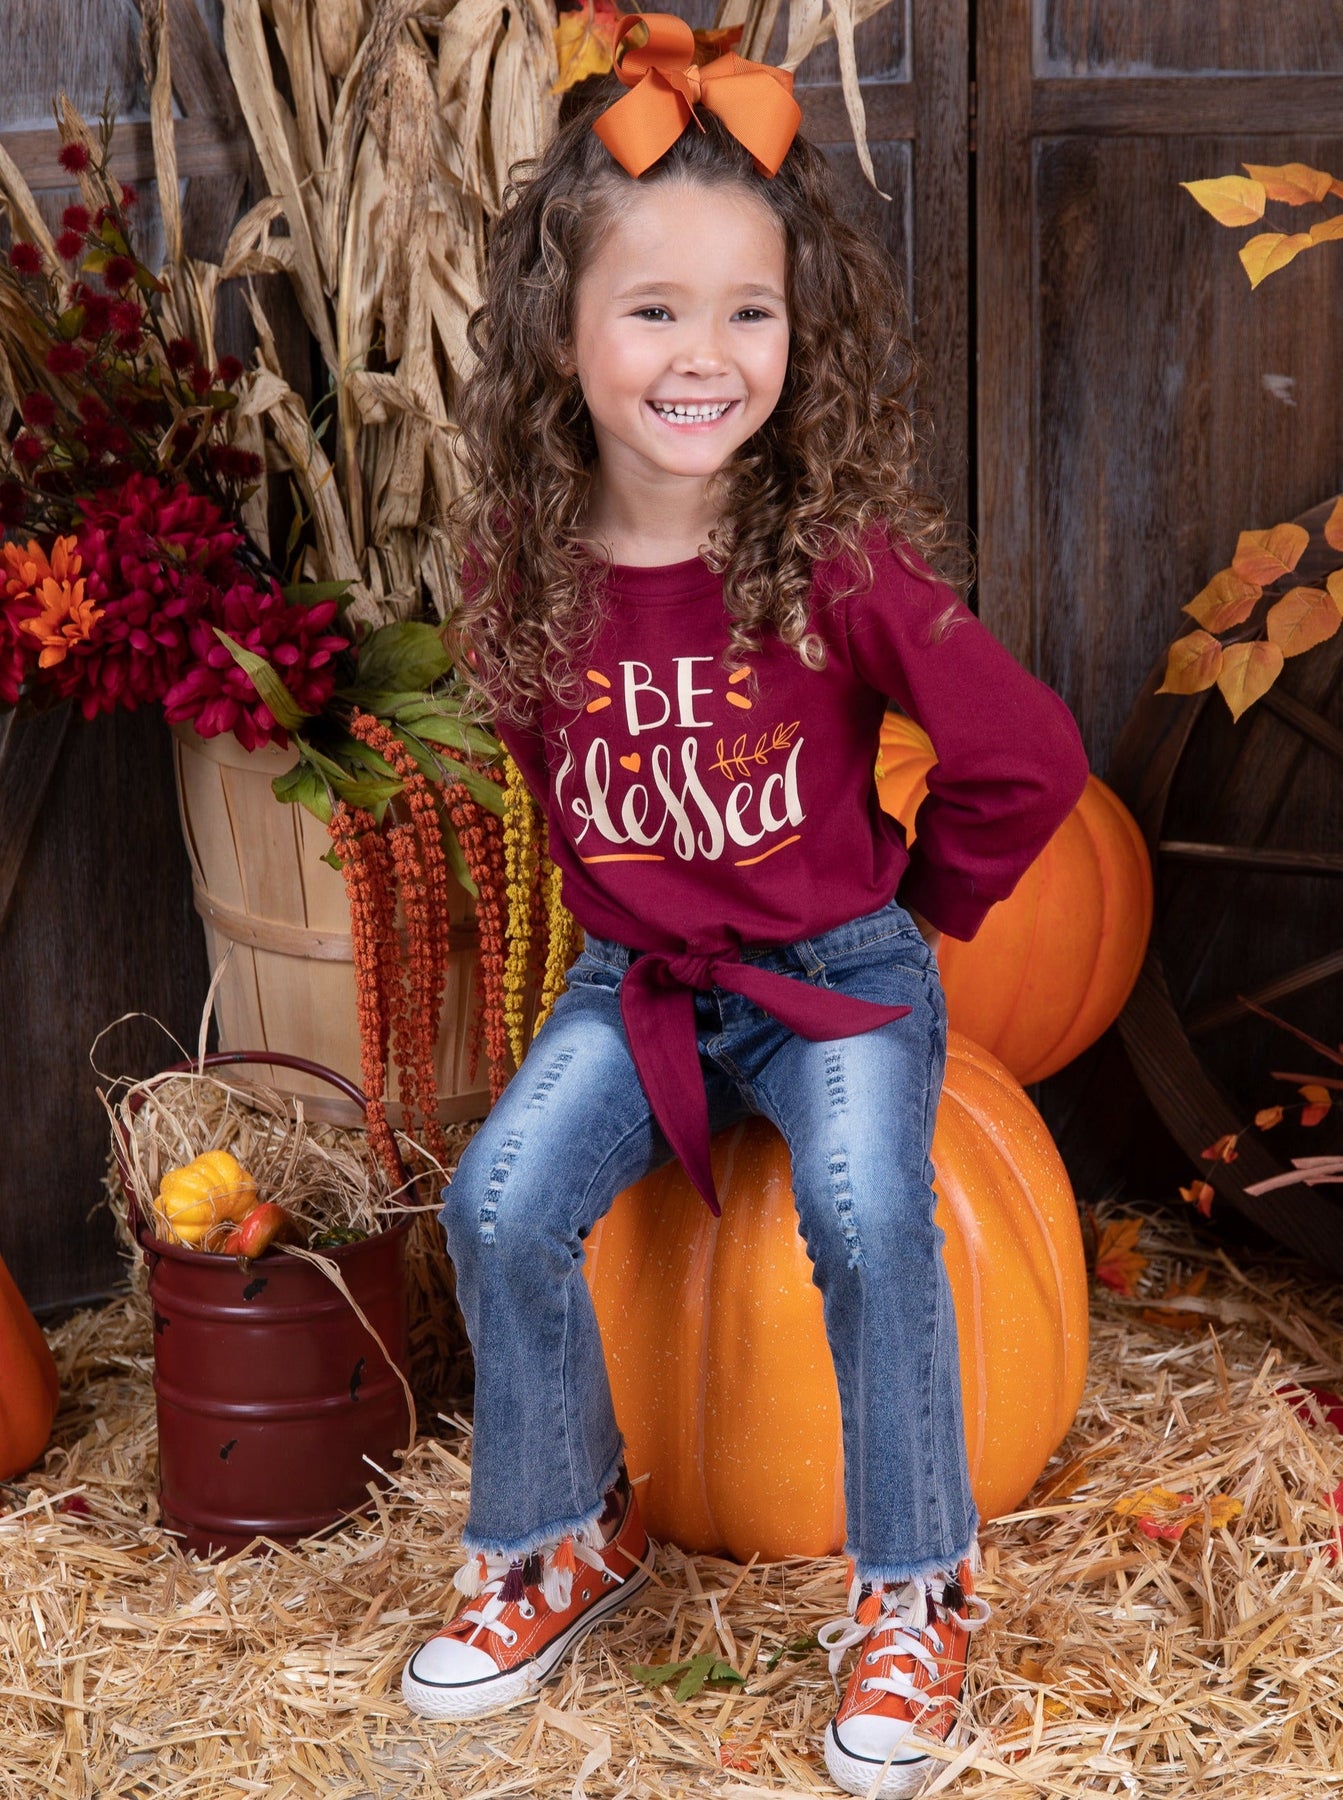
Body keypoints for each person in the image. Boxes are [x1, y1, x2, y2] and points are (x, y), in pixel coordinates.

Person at [400, 17, 1088, 1795]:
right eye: (654, 309)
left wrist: (919, 909)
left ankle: (915, 1593)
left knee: (867, 1218)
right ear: (559, 331)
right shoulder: (523, 563)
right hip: (639, 978)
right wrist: (626, 914)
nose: (704, 354)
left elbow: (1026, 754)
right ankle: (563, 1532)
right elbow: (550, 770)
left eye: (748, 312)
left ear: (802, 331)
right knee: (496, 1202)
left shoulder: (831, 558)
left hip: (833, 970)